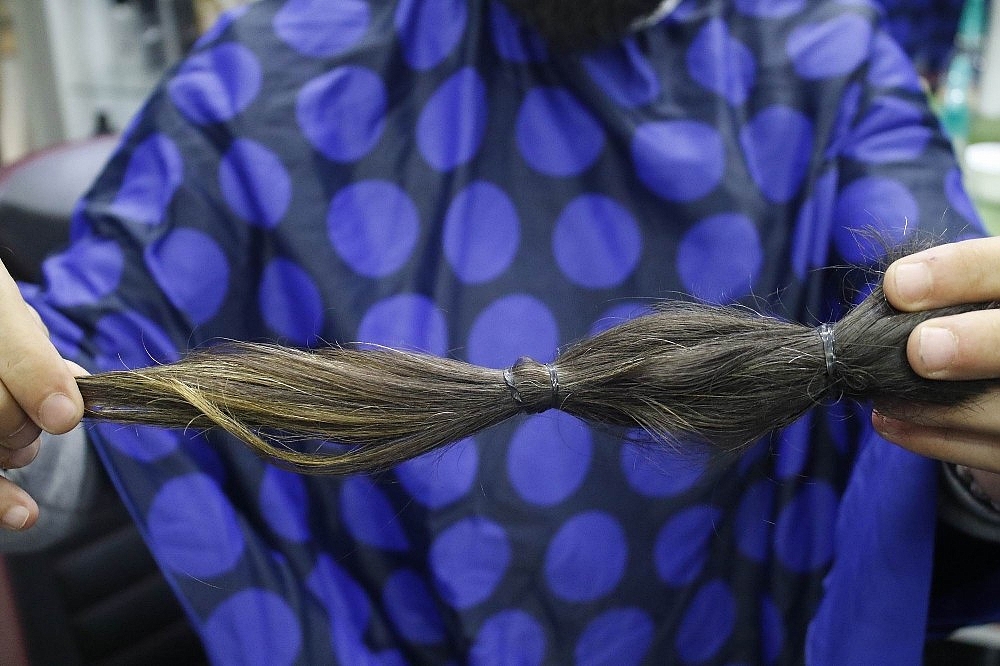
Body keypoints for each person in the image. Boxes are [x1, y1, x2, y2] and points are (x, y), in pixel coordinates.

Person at [2, 0, 1000, 662]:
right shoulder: (256, 90)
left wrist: (980, 450)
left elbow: (942, 321)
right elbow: (80, 382)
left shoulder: (828, 69)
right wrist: (18, 402)